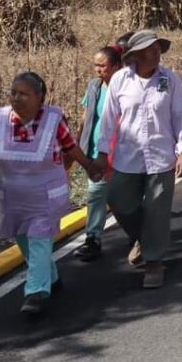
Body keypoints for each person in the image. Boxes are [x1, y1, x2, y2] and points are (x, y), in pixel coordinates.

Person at [0, 72, 100, 315]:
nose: (16, 98)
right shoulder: (0, 120)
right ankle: (51, 278)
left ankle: (35, 292)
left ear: (39, 97)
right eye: (13, 93)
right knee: (24, 240)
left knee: (39, 238)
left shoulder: (54, 119)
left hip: (45, 197)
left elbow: (71, 147)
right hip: (13, 198)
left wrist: (88, 165)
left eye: (23, 94)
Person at [94, 30, 182, 289]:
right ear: (136, 55)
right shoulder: (120, 80)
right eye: (151, 49)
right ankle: (145, 240)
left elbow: (180, 116)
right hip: (128, 156)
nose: (156, 53)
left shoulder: (169, 79)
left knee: (158, 210)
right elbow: (108, 119)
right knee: (119, 201)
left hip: (161, 155)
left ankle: (154, 264)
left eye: (159, 48)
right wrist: (102, 153)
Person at [72, 44, 124, 262]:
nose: (98, 70)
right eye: (95, 65)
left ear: (116, 66)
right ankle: (93, 239)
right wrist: (76, 143)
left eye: (102, 65)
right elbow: (86, 117)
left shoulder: (125, 88)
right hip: (95, 153)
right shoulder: (94, 86)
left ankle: (139, 237)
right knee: (95, 196)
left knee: (124, 198)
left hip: (121, 154)